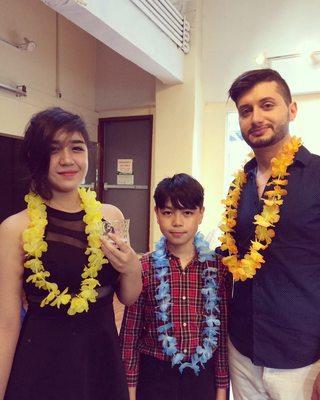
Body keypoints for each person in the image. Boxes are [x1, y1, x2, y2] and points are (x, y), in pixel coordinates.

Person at [0, 107, 142, 400]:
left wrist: (130, 267)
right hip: (41, 363)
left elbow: (128, 296)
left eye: (76, 148)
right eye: (53, 150)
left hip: (100, 359)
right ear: (36, 158)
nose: (67, 160)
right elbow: (6, 324)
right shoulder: (16, 229)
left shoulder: (109, 217)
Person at [219, 68, 320, 400]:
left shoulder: (317, 177)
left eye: (267, 105)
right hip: (243, 348)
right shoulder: (241, 183)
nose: (256, 117)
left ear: (291, 110)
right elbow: (232, 255)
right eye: (246, 110)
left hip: (300, 358)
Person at [120, 173, 230, 400]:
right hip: (155, 377)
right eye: (168, 212)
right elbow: (130, 336)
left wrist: (221, 392)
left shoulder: (217, 269)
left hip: (202, 378)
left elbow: (221, 336)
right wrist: (129, 393)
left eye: (187, 213)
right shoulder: (143, 267)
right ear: (157, 214)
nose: (177, 222)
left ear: (201, 214)